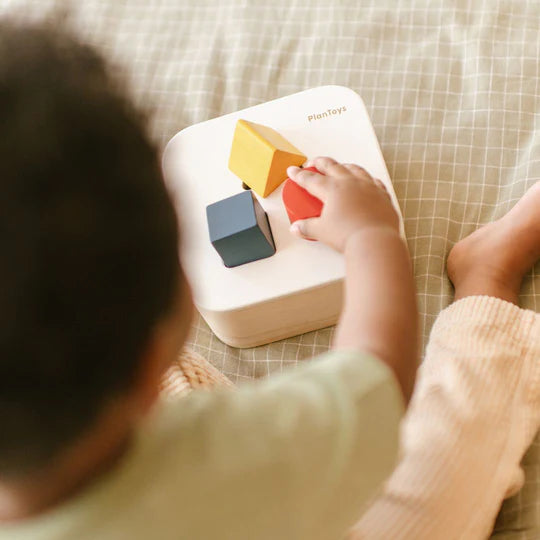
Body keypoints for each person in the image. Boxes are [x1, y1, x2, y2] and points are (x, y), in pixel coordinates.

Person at [0, 22, 416, 540]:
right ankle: (486, 284)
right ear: (151, 361)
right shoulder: (237, 461)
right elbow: (378, 381)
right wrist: (371, 238)